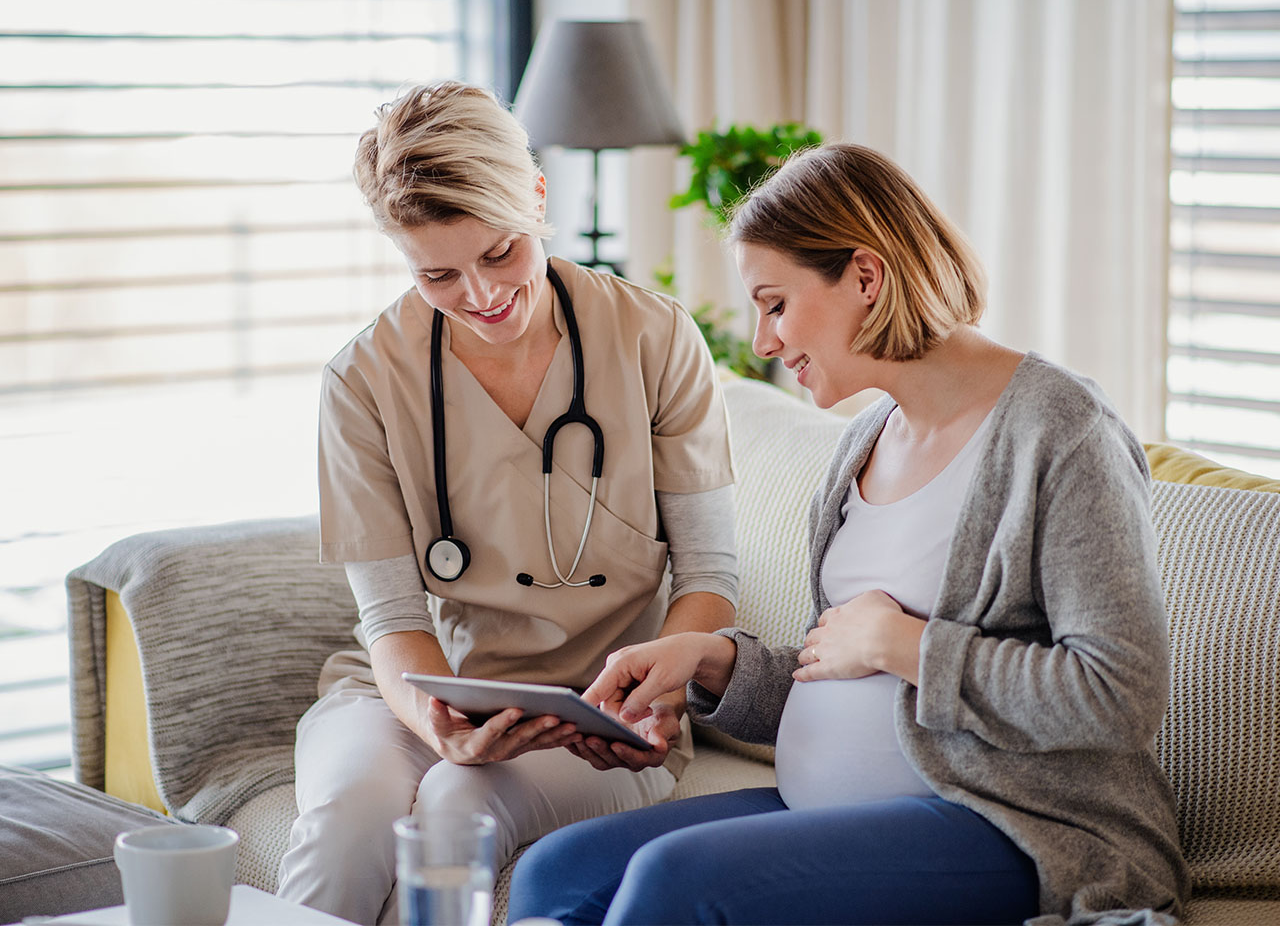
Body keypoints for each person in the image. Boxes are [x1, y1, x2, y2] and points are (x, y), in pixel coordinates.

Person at [508, 143, 1189, 926]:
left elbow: (1118, 698)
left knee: (679, 881)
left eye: (775, 304)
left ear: (866, 277)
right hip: (826, 812)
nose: (763, 342)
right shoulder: (865, 439)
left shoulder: (1060, 433)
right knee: (555, 874)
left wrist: (904, 645)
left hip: (1012, 826)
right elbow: (834, 663)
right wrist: (712, 663)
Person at [275, 81, 738, 925]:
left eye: (500, 254)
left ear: (537, 198)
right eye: (437, 274)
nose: (482, 295)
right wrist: (433, 715)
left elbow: (709, 575)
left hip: (599, 707)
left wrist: (655, 693)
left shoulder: (655, 337)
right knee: (348, 819)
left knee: (458, 803)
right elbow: (391, 619)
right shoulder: (364, 381)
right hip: (413, 689)